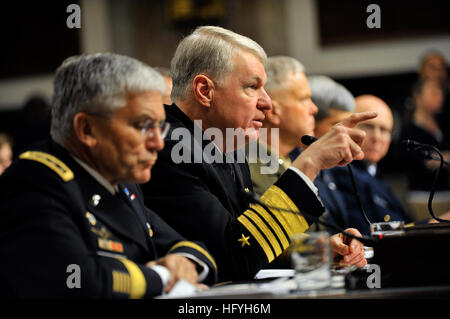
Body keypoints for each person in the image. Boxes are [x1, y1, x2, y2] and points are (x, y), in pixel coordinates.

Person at [141, 27, 374, 282]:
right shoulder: (169, 146)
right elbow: (233, 257)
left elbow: (247, 237)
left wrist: (318, 252)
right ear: (205, 91)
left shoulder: (225, 145)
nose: (267, 102)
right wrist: (309, 162)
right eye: (252, 87)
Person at [0, 53, 217, 298]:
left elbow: (189, 246)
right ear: (87, 129)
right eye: (143, 125)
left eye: (160, 126)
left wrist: (186, 263)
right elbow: (79, 279)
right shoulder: (32, 184)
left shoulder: (121, 184)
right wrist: (164, 276)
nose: (158, 142)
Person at [247, 56, 318, 196]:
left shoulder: (294, 159)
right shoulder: (247, 168)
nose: (314, 108)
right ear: (273, 112)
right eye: (303, 99)